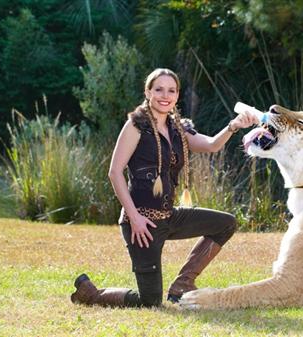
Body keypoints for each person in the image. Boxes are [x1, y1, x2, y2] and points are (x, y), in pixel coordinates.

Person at [70, 68, 258, 307]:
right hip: (142, 224)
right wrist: (135, 217)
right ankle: (92, 295)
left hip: (170, 216)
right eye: (158, 89)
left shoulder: (178, 128)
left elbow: (210, 145)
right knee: (150, 302)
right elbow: (114, 172)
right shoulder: (135, 126)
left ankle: (183, 284)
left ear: (177, 95)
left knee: (226, 223)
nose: (164, 95)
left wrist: (233, 126)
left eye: (171, 90)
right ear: (148, 91)